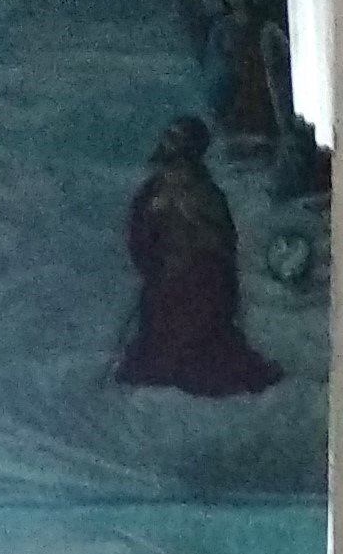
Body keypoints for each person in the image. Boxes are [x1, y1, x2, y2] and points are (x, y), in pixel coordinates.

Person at [115, 116, 283, 397]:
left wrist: (199, 244)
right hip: (166, 282)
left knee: (204, 332)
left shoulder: (206, 195)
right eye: (170, 165)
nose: (174, 174)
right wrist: (157, 261)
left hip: (202, 283)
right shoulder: (151, 196)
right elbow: (140, 240)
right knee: (160, 329)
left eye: (180, 165)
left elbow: (223, 244)